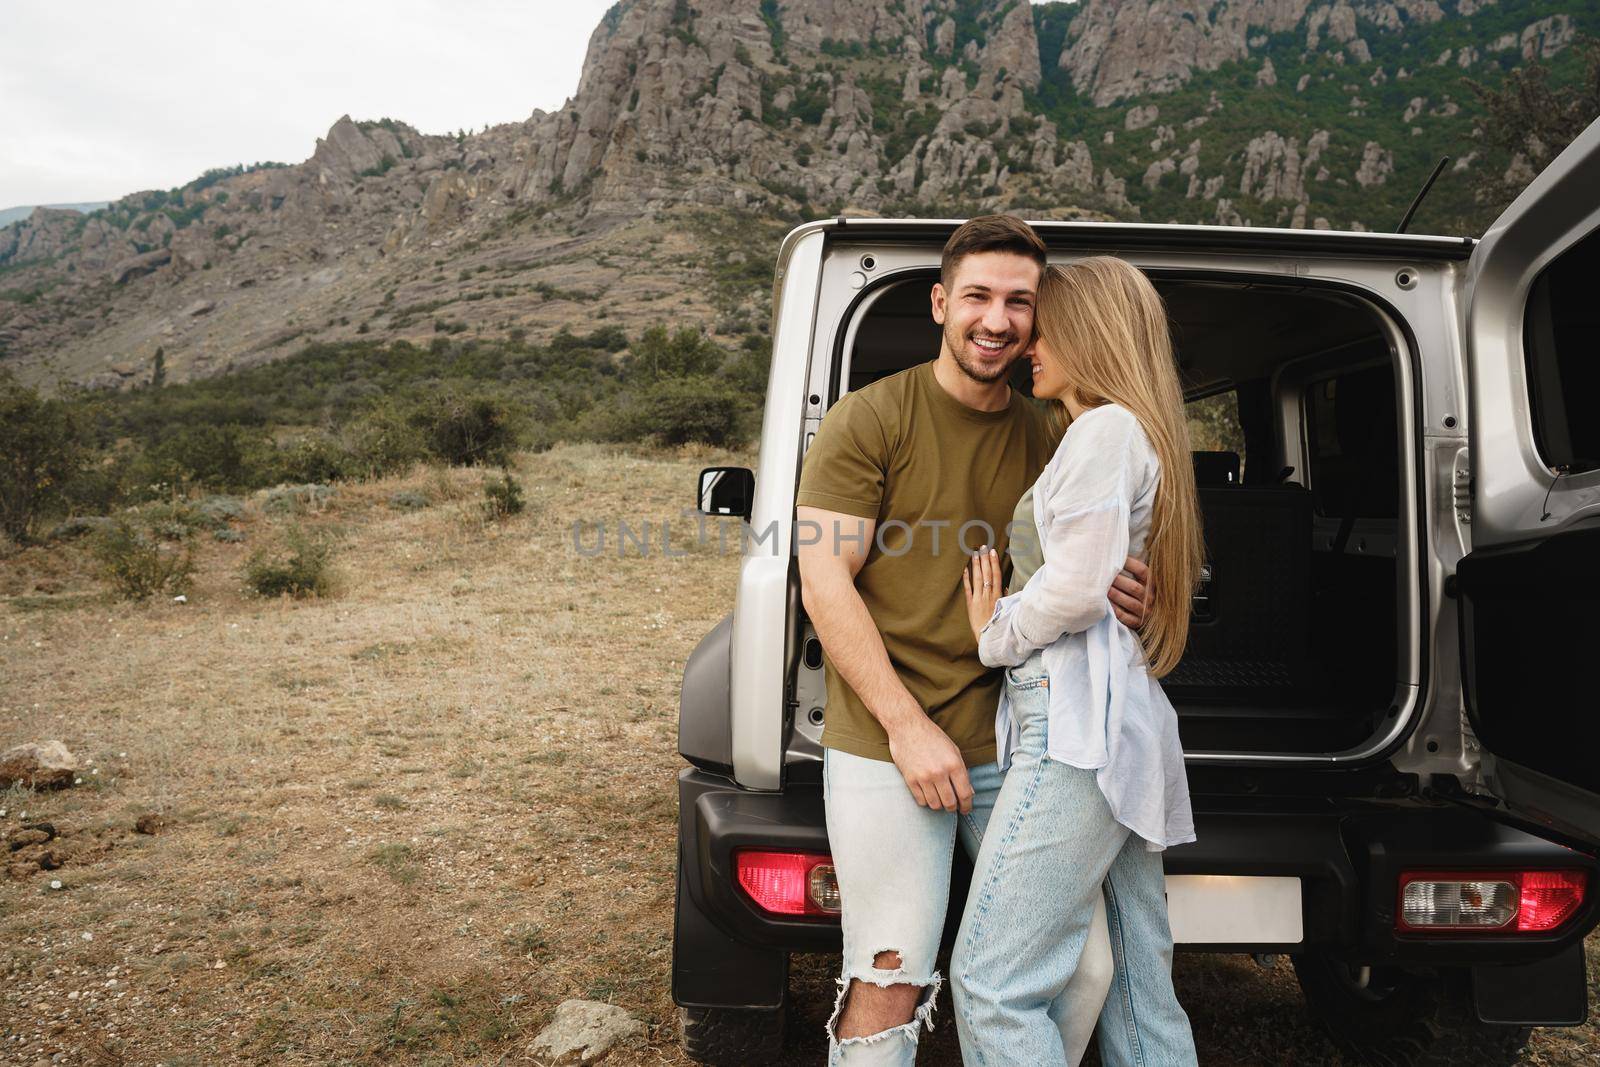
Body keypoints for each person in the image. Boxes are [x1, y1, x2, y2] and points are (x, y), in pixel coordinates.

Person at [795, 216, 1151, 1066]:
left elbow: (1081, 566)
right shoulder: (869, 420)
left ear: (1041, 319)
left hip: (1021, 740)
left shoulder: (1056, 434)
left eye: (1020, 302)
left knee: (1084, 970)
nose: (997, 319)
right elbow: (822, 580)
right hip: (889, 737)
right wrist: (906, 726)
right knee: (891, 973)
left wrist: (1122, 587)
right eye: (979, 297)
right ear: (939, 302)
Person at [953, 257, 1203, 1065]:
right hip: (1111, 719)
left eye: (1047, 326)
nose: (1029, 342)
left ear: (1090, 334)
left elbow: (1078, 588)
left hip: (1073, 728)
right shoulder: (1124, 430)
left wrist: (997, 628)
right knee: (1138, 989)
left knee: (994, 983)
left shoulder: (1103, 431)